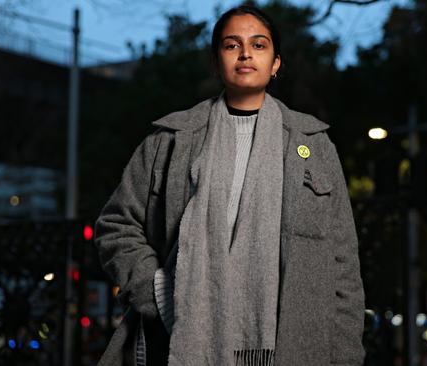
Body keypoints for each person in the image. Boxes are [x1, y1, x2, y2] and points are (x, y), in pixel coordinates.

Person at [94, 5, 364, 366]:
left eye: (259, 44)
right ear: (216, 60)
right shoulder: (172, 139)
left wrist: (346, 356)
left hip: (295, 348)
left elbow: (342, 263)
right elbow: (116, 225)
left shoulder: (313, 144)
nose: (246, 53)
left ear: (276, 63)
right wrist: (157, 293)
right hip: (182, 341)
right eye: (231, 45)